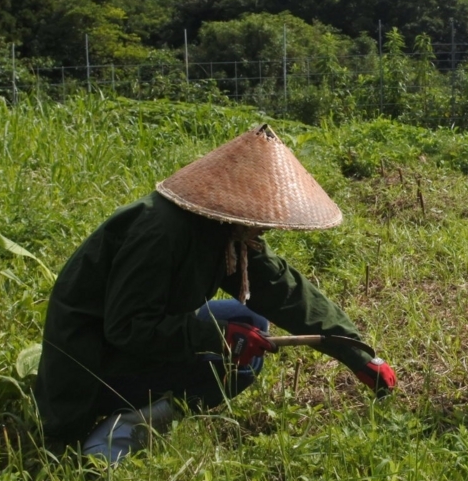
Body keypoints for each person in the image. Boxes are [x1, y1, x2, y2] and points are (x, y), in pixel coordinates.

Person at [34, 124, 396, 454]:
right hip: (87, 366)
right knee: (241, 363)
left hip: (123, 345)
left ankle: (143, 404)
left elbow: (282, 290)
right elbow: (128, 327)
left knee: (247, 316)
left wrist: (356, 352)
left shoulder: (223, 232)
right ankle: (118, 433)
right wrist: (218, 336)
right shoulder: (161, 233)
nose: (266, 229)